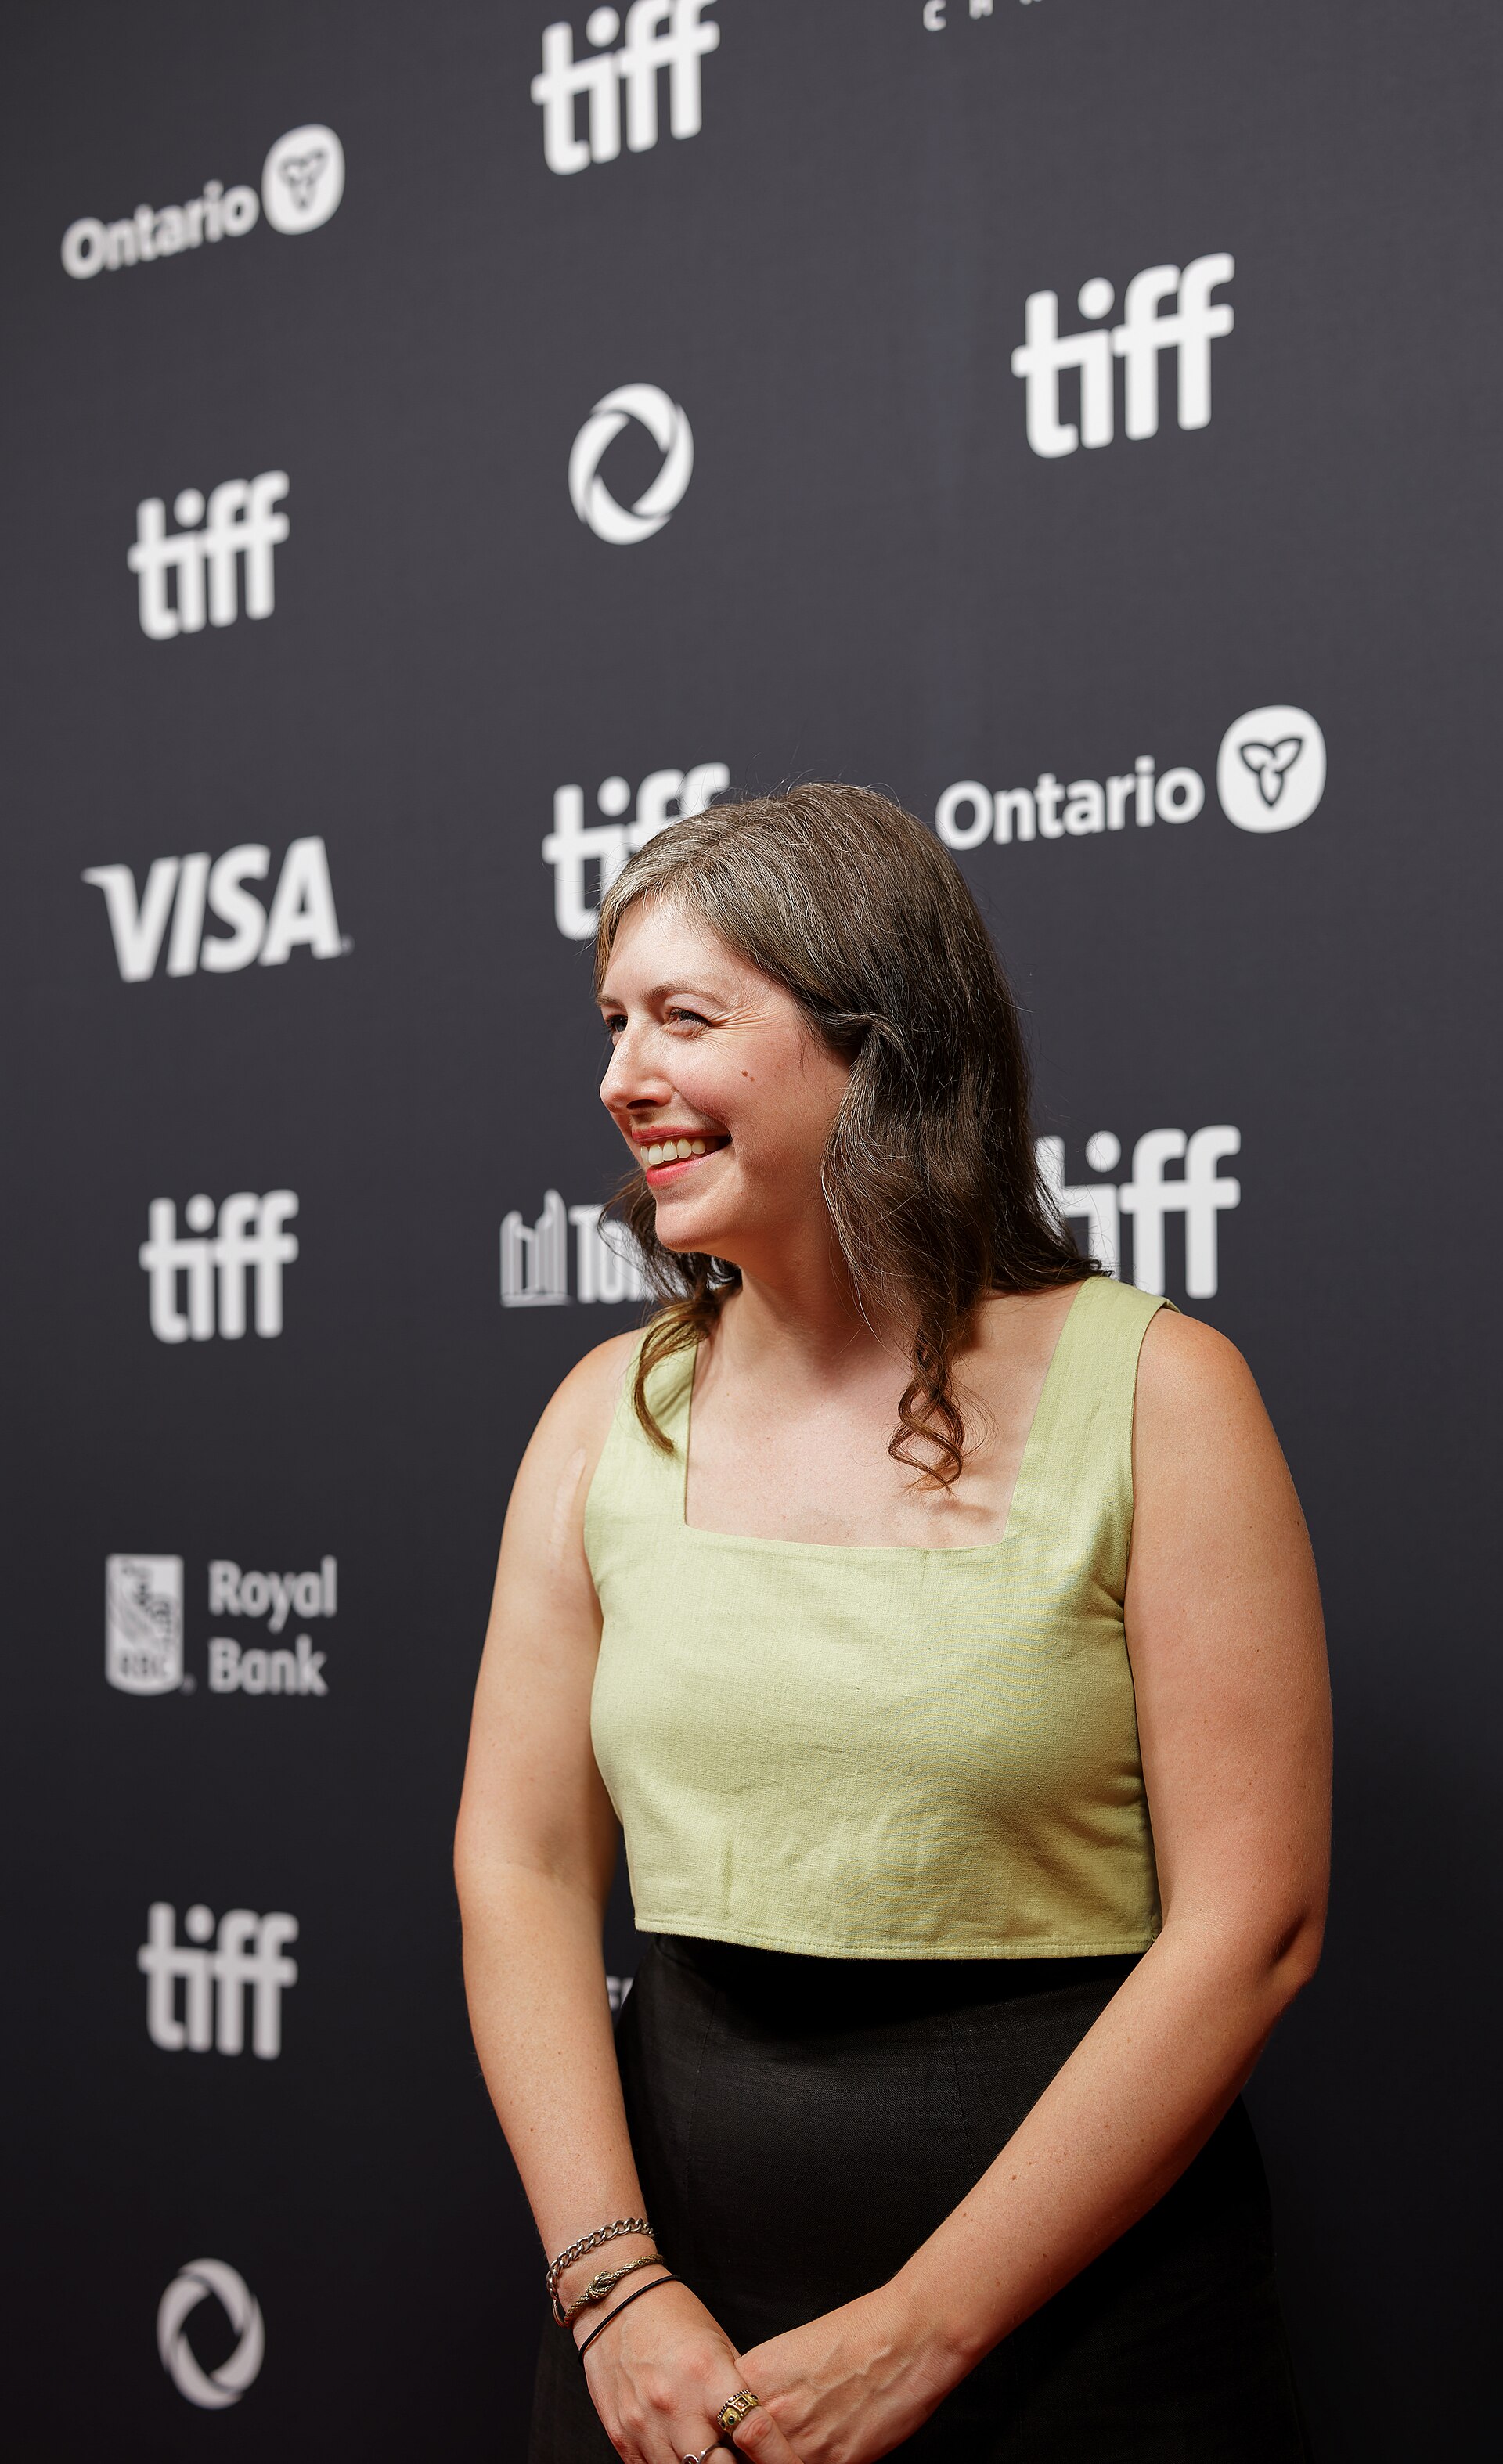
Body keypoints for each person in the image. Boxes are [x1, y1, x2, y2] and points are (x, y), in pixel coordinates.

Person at [454, 784, 1330, 2464]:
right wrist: (613, 2286)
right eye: (613, 1021)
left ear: (882, 1041)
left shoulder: (1162, 1392)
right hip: (671, 2331)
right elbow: (523, 1865)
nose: (621, 1075)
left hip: (1081, 2323)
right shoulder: (601, 1410)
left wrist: (925, 2330)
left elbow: (1257, 1924)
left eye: (686, 1018)